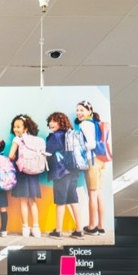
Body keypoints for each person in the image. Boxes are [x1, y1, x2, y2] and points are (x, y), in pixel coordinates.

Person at [44, 112, 87, 239]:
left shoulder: (55, 137)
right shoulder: (71, 135)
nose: (51, 123)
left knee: (60, 202)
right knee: (73, 200)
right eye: (50, 121)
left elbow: (47, 152)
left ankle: (58, 231)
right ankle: (79, 230)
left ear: (60, 122)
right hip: (73, 171)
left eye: (54, 121)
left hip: (60, 172)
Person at [7, 114, 44, 238]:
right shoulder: (34, 139)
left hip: (22, 172)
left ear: (25, 128)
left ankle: (25, 228)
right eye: (14, 127)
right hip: (33, 172)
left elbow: (11, 155)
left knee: (23, 202)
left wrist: (13, 159)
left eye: (18, 127)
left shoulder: (17, 139)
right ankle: (36, 228)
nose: (15, 129)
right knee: (32, 202)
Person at [75, 101, 107, 235]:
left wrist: (80, 147)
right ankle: (100, 226)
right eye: (77, 110)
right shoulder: (95, 123)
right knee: (99, 193)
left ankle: (92, 227)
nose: (79, 113)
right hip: (102, 159)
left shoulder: (85, 124)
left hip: (92, 160)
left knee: (92, 194)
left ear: (89, 111)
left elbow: (92, 144)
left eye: (82, 110)